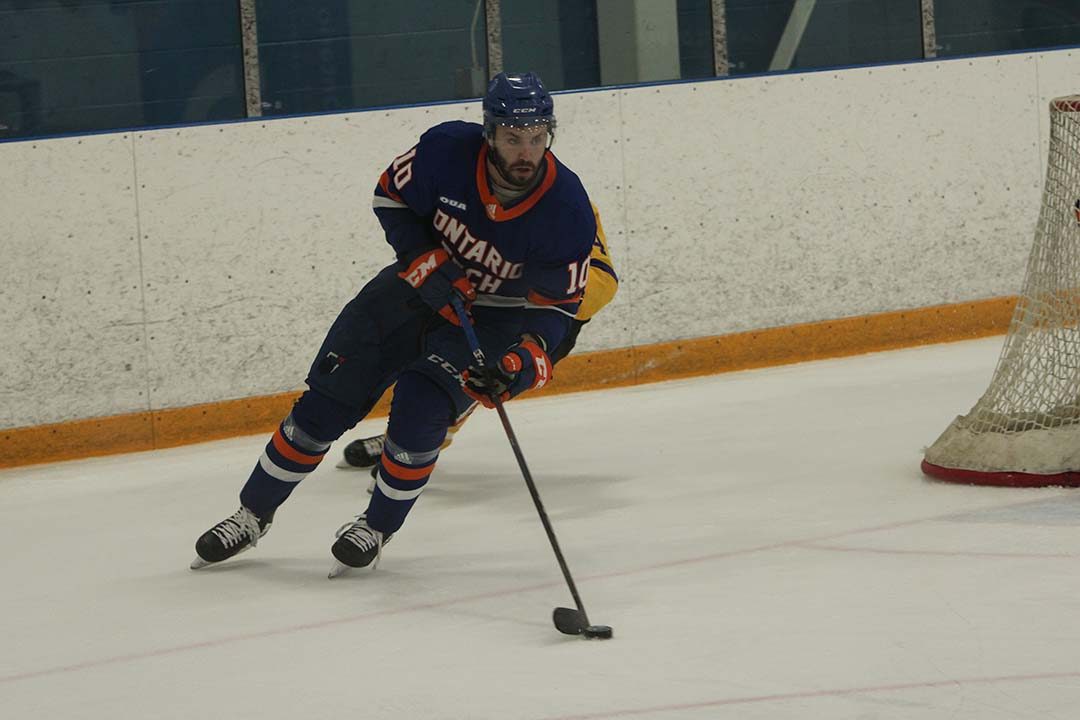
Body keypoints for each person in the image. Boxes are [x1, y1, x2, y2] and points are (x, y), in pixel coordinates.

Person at [191, 71, 599, 577]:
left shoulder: (567, 209)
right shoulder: (446, 150)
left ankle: (376, 526)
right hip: (410, 290)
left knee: (420, 413)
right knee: (325, 404)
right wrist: (425, 259)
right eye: (514, 138)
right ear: (490, 133)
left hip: (491, 317)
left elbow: (556, 311)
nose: (526, 153)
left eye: (537, 139)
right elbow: (390, 197)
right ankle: (252, 514)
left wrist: (517, 364)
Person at [336, 207, 618, 479]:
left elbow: (604, 280)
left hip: (543, 328)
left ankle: (414, 448)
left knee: (473, 384)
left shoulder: (569, 204)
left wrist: (536, 293)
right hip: (483, 310)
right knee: (430, 370)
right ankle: (403, 439)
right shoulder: (473, 193)